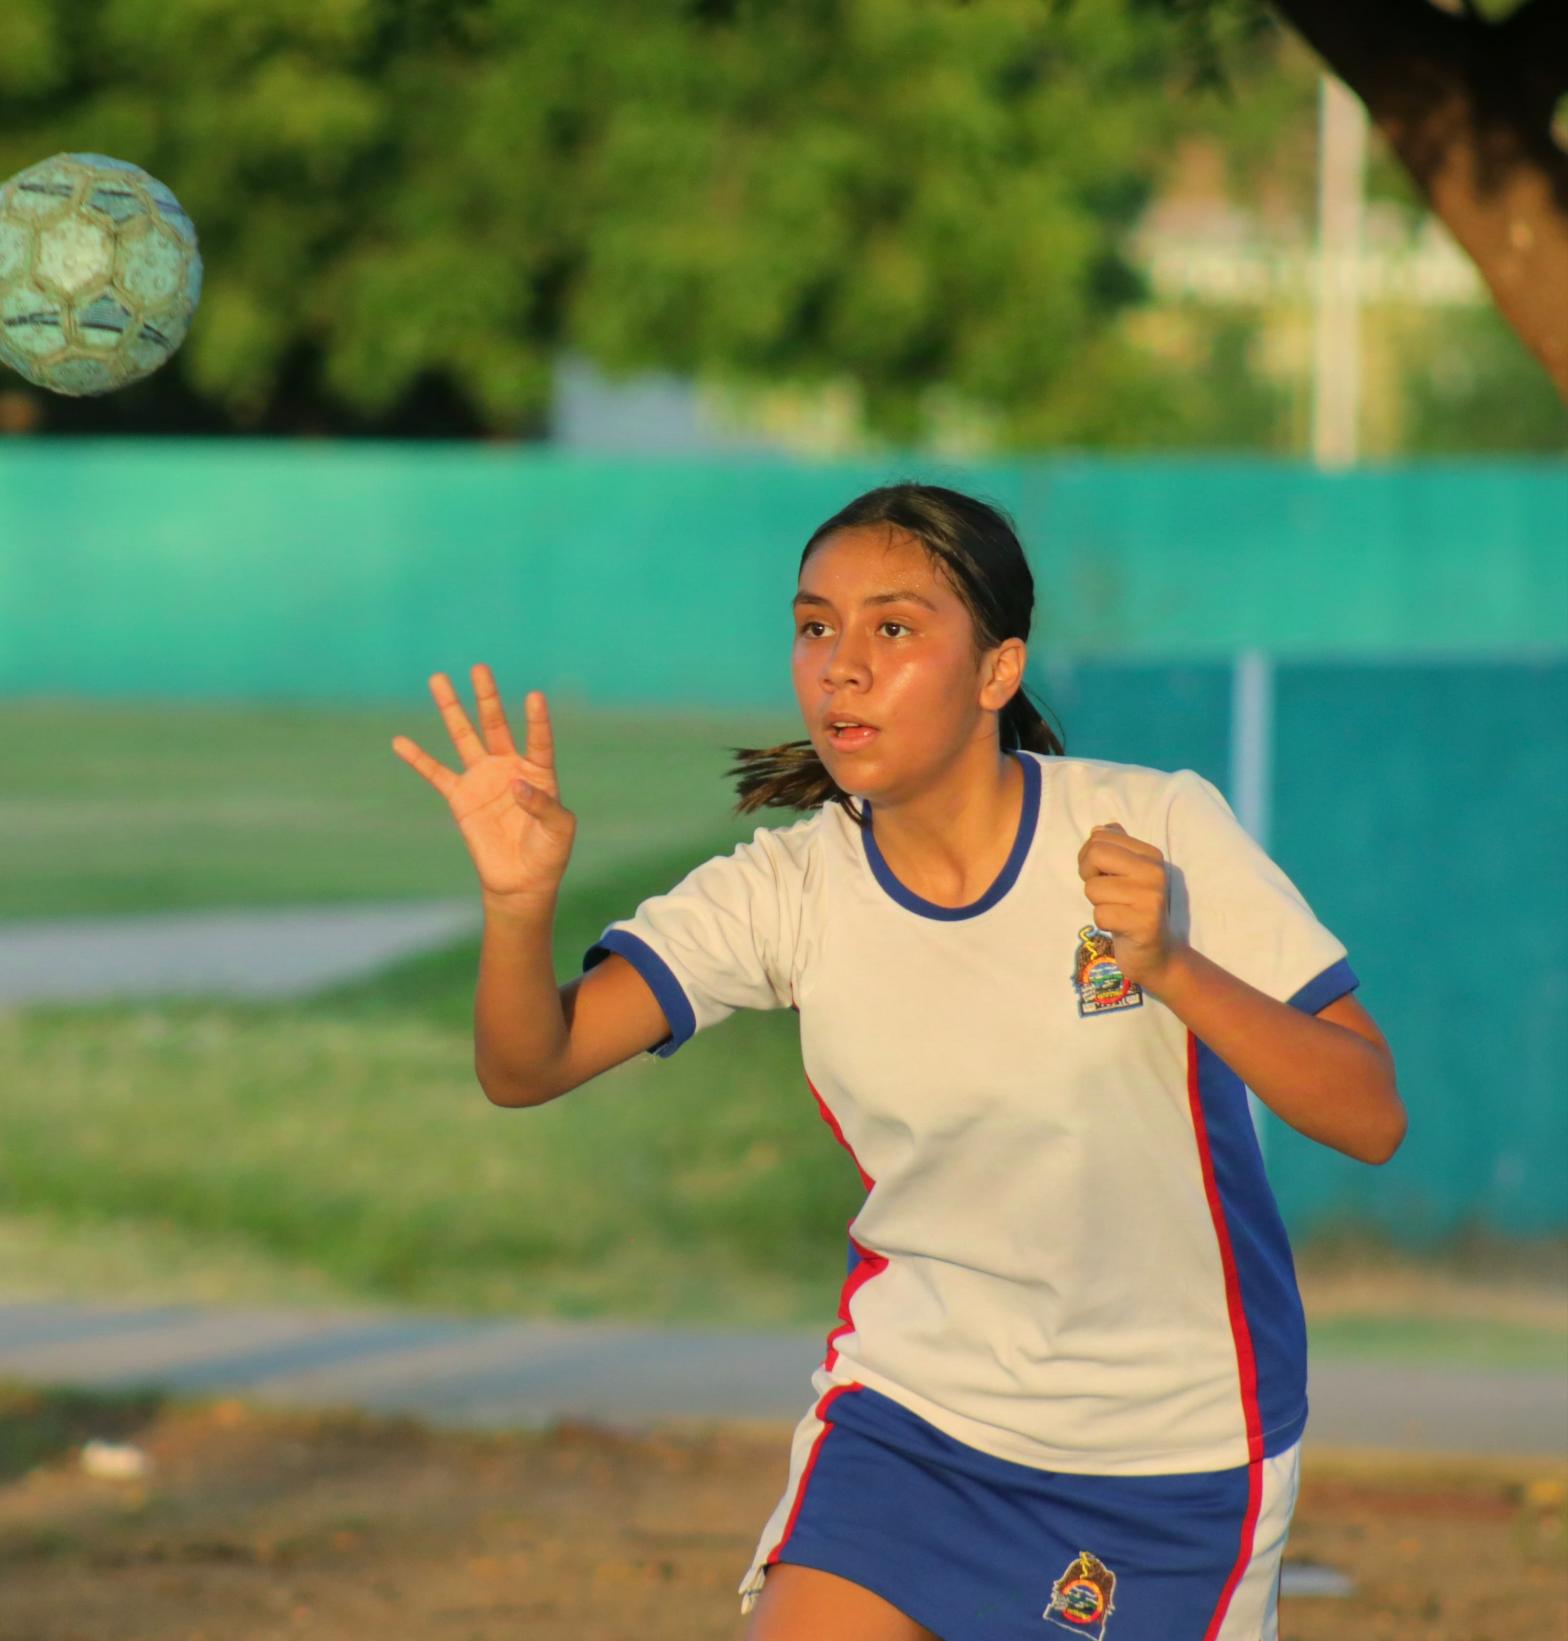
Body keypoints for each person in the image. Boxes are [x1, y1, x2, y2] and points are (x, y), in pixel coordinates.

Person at [389, 481, 1403, 1641]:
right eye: (815, 626)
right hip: (914, 1418)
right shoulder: (786, 889)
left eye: (894, 627)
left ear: (996, 672)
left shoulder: (1150, 825)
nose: (841, 667)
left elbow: (1368, 1114)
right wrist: (518, 905)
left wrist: (1173, 966)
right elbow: (531, 1064)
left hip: (1171, 1449)